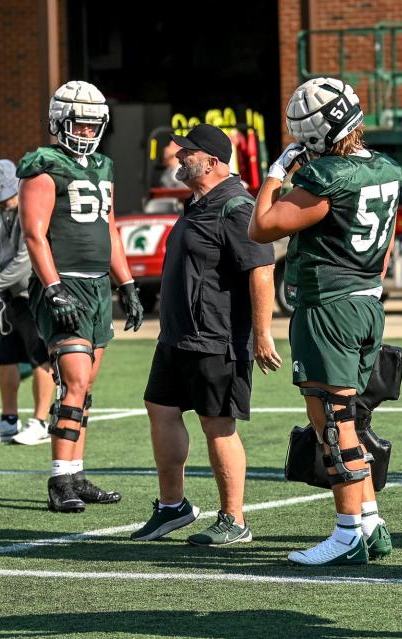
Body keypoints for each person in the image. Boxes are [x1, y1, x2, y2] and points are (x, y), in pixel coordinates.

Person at [249, 77, 399, 566]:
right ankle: (371, 522)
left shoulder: (327, 176)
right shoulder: (386, 169)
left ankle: (347, 532)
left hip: (329, 307)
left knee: (332, 423)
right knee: (344, 419)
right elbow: (387, 244)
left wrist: (275, 174)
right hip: (366, 302)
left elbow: (262, 227)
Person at [131, 123, 279, 545]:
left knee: (218, 424)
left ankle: (234, 520)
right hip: (178, 336)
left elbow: (261, 269)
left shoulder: (236, 206)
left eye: (187, 153)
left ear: (211, 161)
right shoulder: (199, 203)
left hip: (216, 337)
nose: (178, 157)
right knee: (159, 406)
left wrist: (263, 334)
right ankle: (172, 506)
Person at [19, 80, 143, 513]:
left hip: (95, 286)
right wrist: (52, 287)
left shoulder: (104, 166)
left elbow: (110, 228)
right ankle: (58, 480)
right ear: (59, 122)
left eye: (94, 126)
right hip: (64, 284)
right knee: (72, 383)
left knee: (85, 387)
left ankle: (76, 473)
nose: (87, 133)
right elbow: (34, 234)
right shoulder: (44, 165)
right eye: (80, 125)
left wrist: (126, 283)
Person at [0, 159, 54, 445]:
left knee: (41, 358)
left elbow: (23, 262)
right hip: (9, 299)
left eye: (5, 194)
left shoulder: (30, 209)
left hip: (33, 295)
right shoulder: (3, 214)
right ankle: (8, 420)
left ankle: (41, 421)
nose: (2, 201)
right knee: (5, 358)